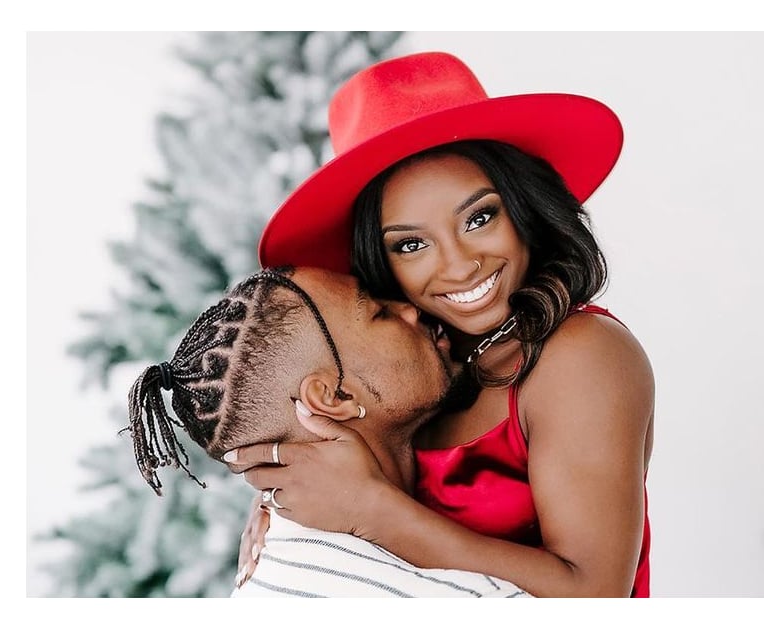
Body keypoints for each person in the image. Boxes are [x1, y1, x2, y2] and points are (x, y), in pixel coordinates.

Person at [232, 51, 655, 597]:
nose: (458, 265)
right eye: (411, 244)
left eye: (479, 218)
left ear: (524, 209)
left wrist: (374, 511)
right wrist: (278, 504)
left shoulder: (582, 354)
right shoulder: (411, 367)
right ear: (379, 263)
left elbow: (593, 594)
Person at [124, 266, 530, 597]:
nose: (409, 308)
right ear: (331, 397)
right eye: (379, 313)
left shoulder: (297, 560)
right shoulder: (423, 595)